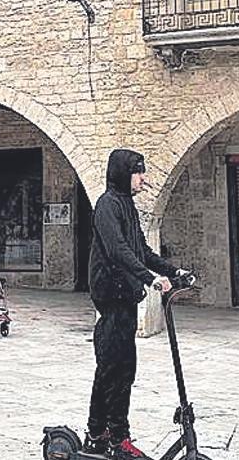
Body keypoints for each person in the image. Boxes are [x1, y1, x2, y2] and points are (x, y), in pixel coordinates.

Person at [84, 149, 188, 460]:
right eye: (139, 172)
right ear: (122, 173)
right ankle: (117, 438)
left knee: (114, 368)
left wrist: (172, 270)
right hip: (112, 297)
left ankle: (96, 432)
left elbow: (140, 249)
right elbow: (117, 250)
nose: (143, 178)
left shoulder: (126, 205)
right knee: (117, 369)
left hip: (125, 296)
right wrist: (149, 279)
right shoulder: (106, 206)